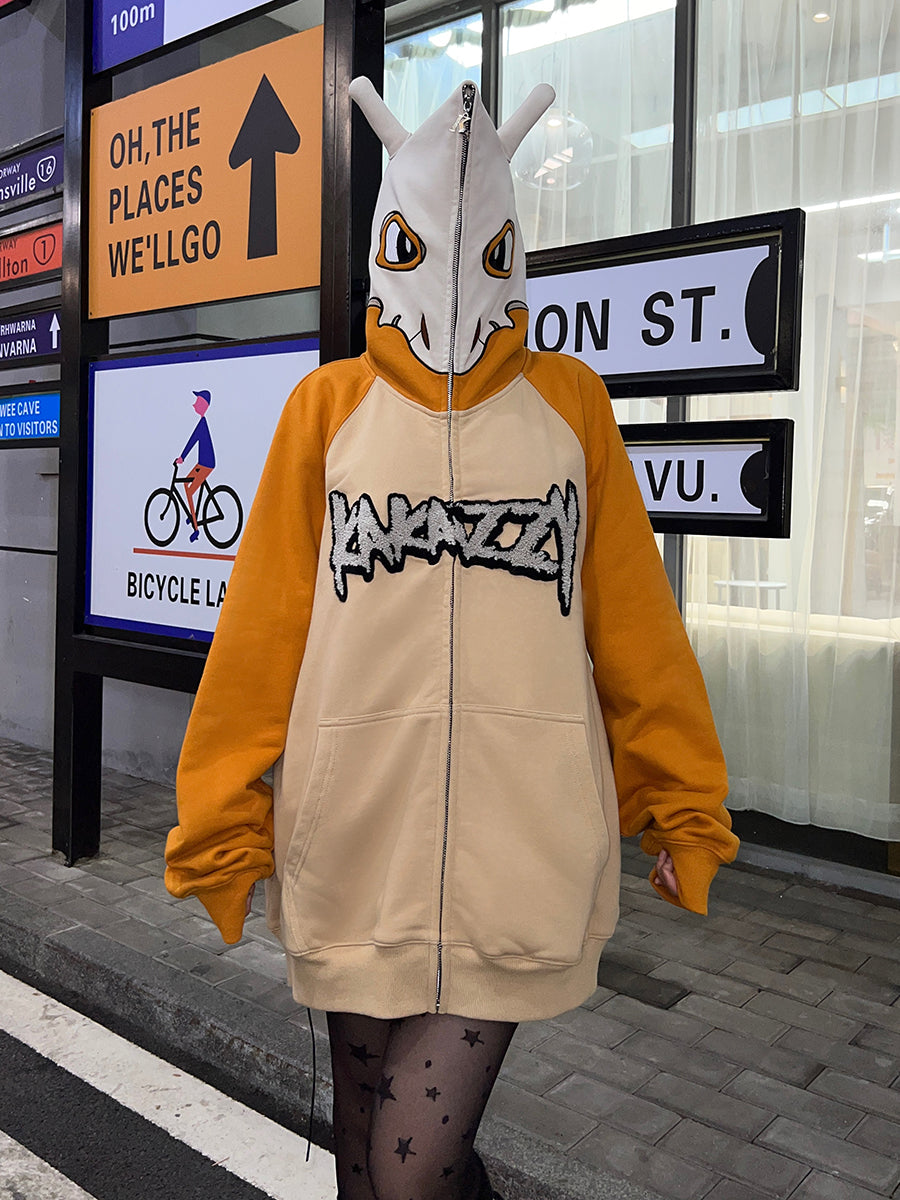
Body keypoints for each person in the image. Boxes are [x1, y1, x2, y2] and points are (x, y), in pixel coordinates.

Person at [165, 79, 738, 1200]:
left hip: (522, 849)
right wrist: (223, 822)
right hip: (353, 842)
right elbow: (261, 635)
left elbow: (636, 624)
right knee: (370, 1167)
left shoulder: (571, 407)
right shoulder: (326, 408)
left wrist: (681, 802)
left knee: (409, 1167)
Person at [175, 388, 216, 543]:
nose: (194, 405)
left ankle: (196, 529)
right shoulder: (202, 423)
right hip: (203, 462)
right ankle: (193, 514)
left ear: (204, 405)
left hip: (206, 464)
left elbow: (192, 441)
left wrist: (182, 457)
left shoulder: (202, 424)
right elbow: (193, 440)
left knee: (189, 489)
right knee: (187, 485)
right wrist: (182, 457)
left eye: (197, 402)